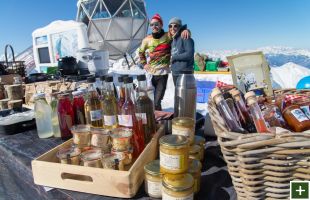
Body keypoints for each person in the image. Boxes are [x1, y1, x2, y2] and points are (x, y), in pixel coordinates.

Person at [139, 14, 190, 110]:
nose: (154, 26)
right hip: (150, 75)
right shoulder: (147, 40)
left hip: (163, 74)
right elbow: (141, 52)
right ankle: (157, 119)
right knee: (151, 100)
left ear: (161, 25)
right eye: (152, 24)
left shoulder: (168, 36)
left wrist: (186, 30)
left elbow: (178, 32)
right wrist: (144, 64)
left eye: (157, 24)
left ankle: (157, 119)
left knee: (157, 100)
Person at [169, 17, 195, 85]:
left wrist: (174, 57)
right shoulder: (173, 40)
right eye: (170, 26)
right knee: (178, 93)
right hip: (175, 72)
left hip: (184, 73)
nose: (172, 28)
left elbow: (189, 54)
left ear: (180, 27)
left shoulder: (185, 37)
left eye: (175, 26)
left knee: (184, 94)